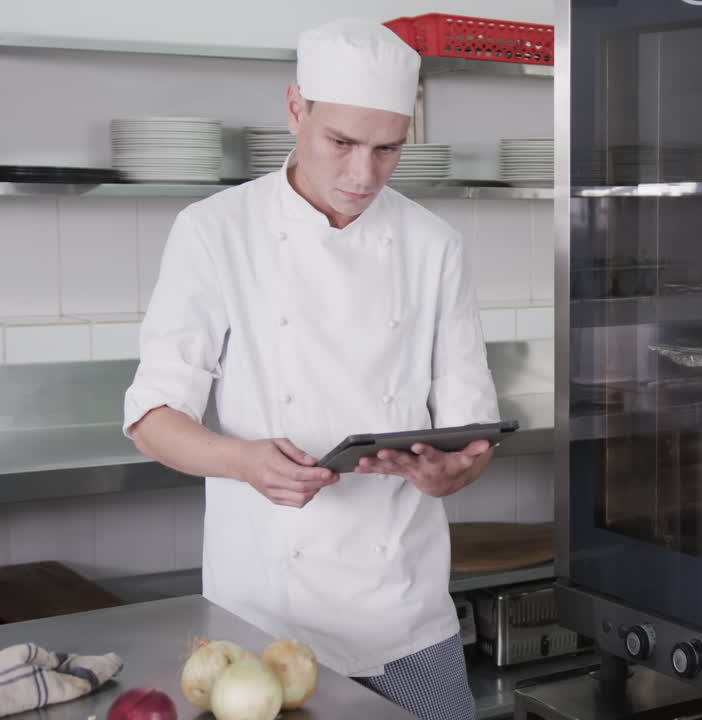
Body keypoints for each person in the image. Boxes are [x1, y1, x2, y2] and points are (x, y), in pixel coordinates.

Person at [122, 18, 498, 719]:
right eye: (342, 142)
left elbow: (468, 434)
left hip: (405, 619)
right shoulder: (215, 232)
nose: (364, 174)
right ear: (296, 109)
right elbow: (150, 419)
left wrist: (453, 471)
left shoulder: (434, 246)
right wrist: (242, 461)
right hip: (262, 622)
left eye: (388, 149)